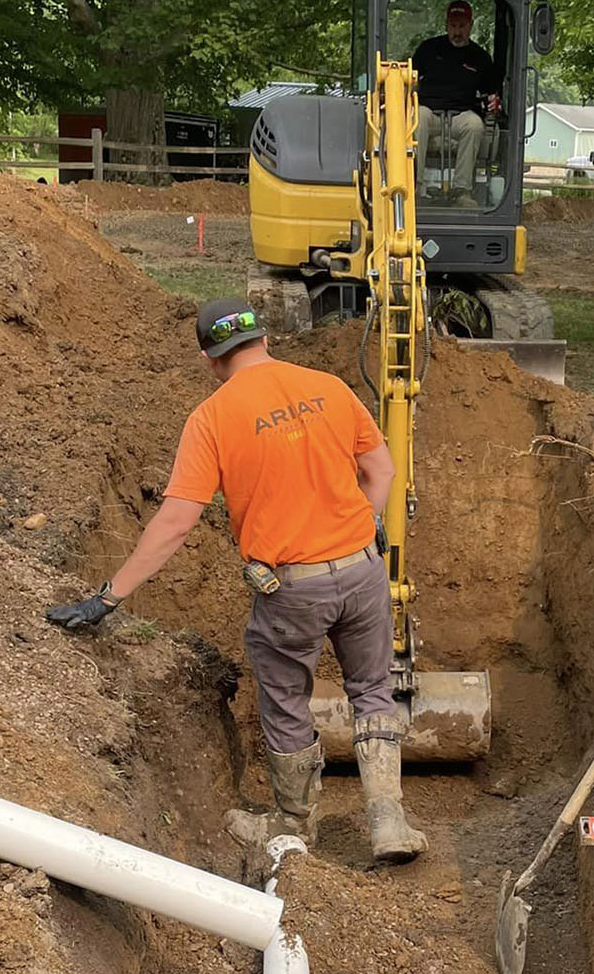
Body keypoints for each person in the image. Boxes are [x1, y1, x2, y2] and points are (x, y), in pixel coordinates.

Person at [45, 299, 426, 863]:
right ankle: (388, 820)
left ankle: (294, 824)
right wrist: (359, 533)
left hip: (291, 586)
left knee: (286, 699)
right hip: (364, 569)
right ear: (264, 338)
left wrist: (108, 598)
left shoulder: (212, 419)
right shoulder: (330, 388)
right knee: (371, 690)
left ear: (209, 357)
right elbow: (383, 471)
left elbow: (176, 521)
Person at [412, 0, 501, 208]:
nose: (457, 31)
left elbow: (491, 91)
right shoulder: (428, 49)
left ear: (470, 25)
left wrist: (492, 99)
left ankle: (462, 191)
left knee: (475, 125)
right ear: (446, 25)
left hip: (461, 115)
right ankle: (415, 187)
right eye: (453, 26)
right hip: (430, 113)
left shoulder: (480, 58)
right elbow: (410, 79)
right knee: (418, 117)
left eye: (462, 26)